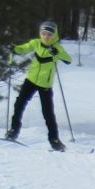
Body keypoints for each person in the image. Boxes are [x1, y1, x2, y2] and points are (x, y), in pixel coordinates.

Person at [8, 20, 73, 150]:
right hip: (31, 80)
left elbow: (68, 59)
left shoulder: (56, 47)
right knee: (19, 104)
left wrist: (56, 53)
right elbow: (23, 49)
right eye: (44, 33)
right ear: (40, 33)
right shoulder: (36, 43)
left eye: (49, 34)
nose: (46, 37)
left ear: (54, 35)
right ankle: (13, 131)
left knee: (48, 113)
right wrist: (14, 49)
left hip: (45, 84)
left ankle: (54, 140)